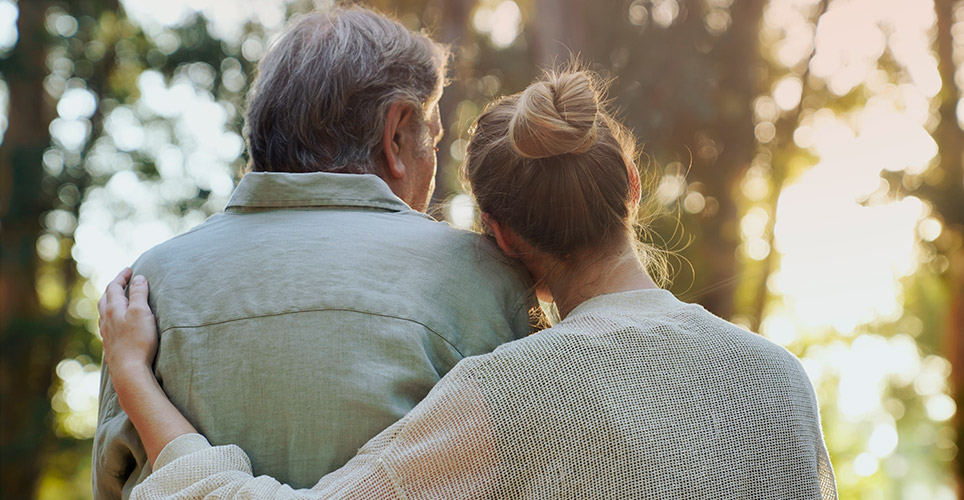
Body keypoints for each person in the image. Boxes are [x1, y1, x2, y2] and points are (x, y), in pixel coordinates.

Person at [99, 69, 838, 499]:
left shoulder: (509, 394)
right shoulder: (779, 382)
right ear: (634, 187)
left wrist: (135, 373)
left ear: (501, 236)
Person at [92, 7, 537, 499]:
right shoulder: (487, 281)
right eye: (431, 137)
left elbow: (117, 484)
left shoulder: (147, 290)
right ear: (395, 135)